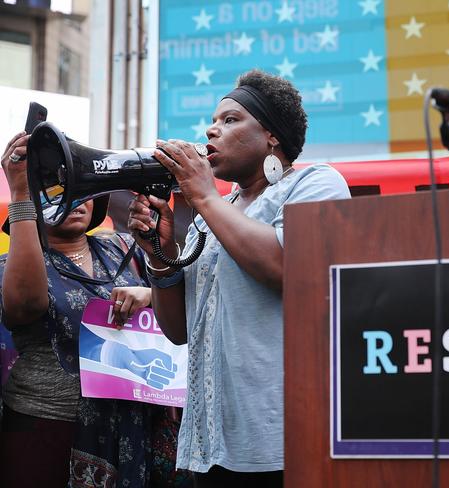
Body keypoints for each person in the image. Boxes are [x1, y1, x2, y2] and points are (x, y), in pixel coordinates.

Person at [127, 69, 351, 486]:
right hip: (211, 445)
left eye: (231, 120)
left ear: (272, 136)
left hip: (282, 443)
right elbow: (178, 330)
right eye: (212, 121)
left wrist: (204, 196)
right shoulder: (209, 218)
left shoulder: (315, 184)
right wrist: (158, 254)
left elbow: (285, 267)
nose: (212, 129)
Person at [0, 131, 167, 487]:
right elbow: (27, 304)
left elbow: (178, 295)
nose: (75, 199)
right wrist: (20, 193)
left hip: (127, 428)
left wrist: (149, 295)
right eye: (59, 188)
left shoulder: (124, 249)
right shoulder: (9, 265)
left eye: (82, 189)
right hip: (46, 428)